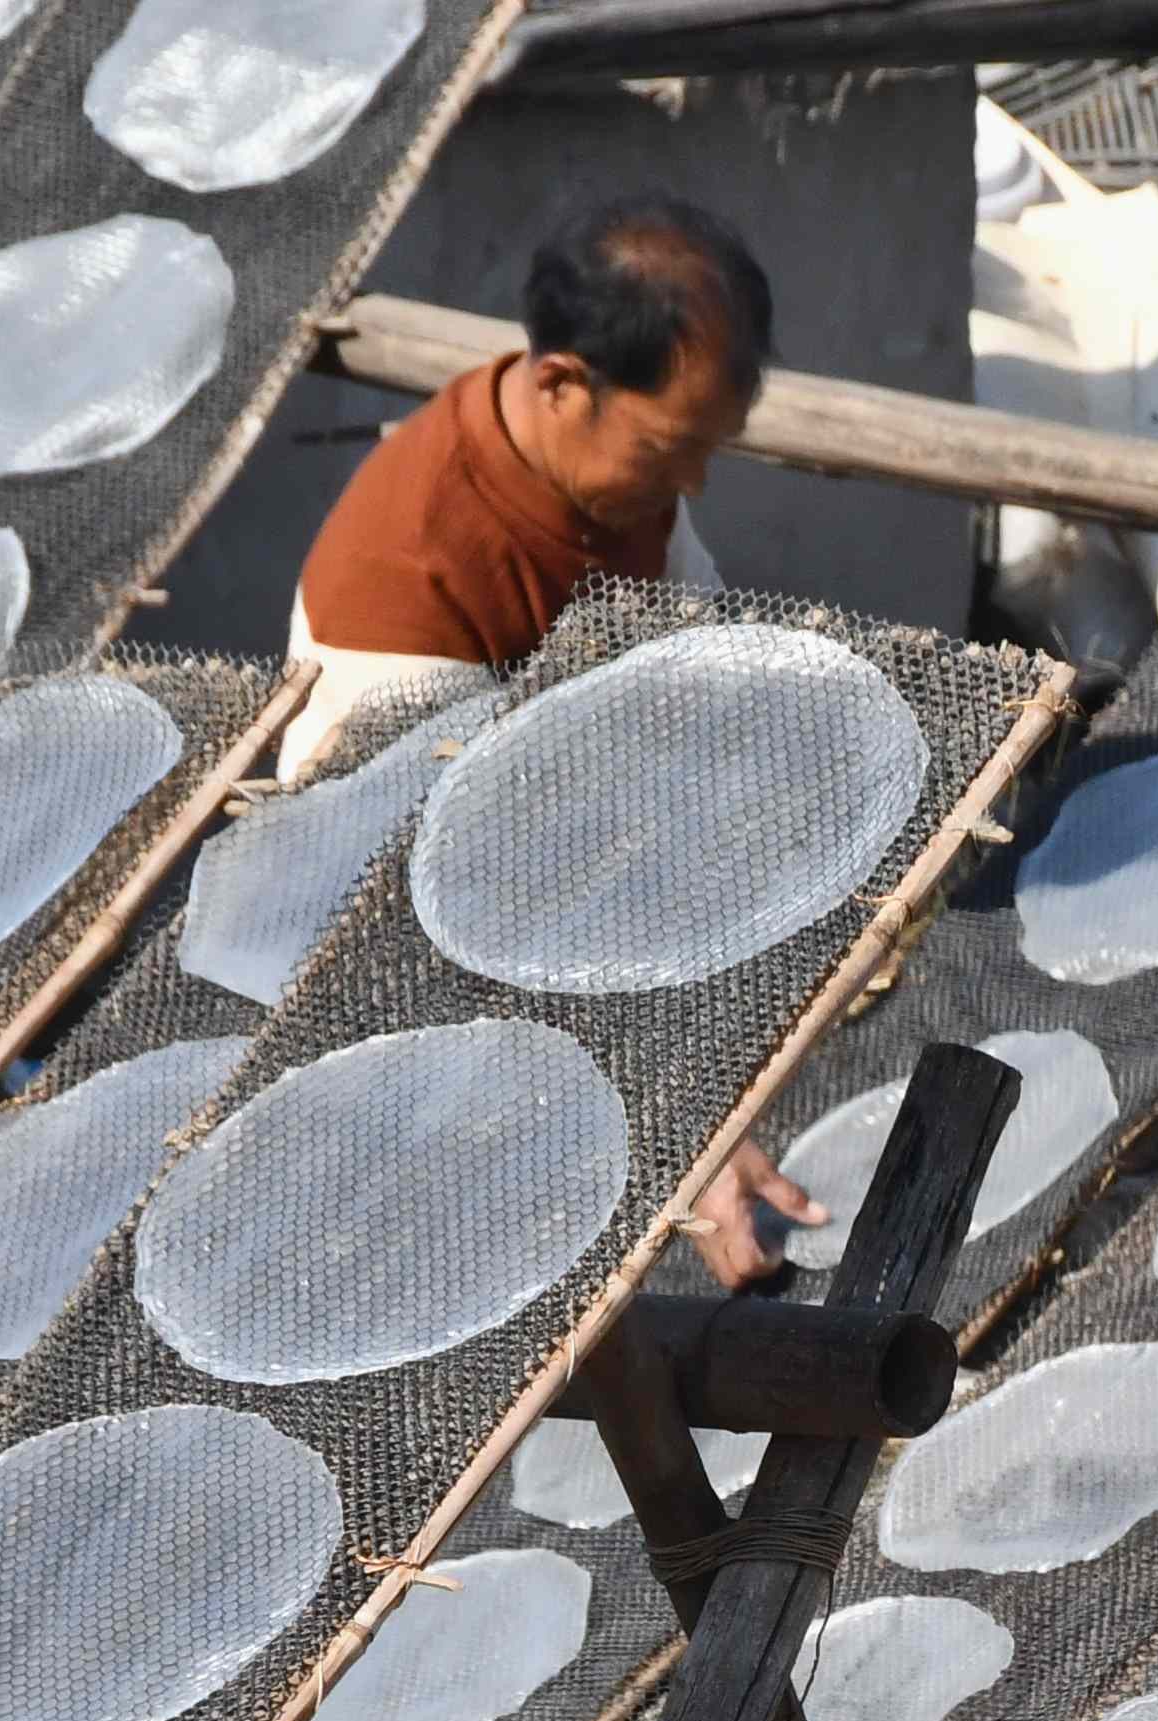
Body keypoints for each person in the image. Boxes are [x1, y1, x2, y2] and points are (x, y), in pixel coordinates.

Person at [289, 196, 820, 1273]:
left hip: (587, 896)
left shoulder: (612, 472)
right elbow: (428, 921)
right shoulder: (400, 596)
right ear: (562, 386)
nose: (693, 486)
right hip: (425, 1016)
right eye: (675, 450)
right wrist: (675, 1106)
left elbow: (694, 685)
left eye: (709, 451)